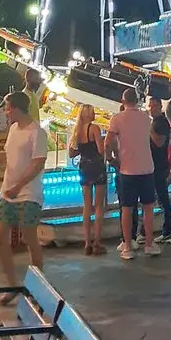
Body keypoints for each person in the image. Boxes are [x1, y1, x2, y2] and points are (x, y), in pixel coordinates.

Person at [0, 89, 49, 301]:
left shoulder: (37, 132)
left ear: (17, 108)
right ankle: (12, 284)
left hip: (28, 194)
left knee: (29, 238)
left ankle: (38, 283)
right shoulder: (14, 129)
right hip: (8, 191)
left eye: (8, 108)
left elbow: (37, 163)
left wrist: (18, 186)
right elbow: (7, 157)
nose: (7, 112)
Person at [104, 86, 159, 259]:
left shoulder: (117, 119)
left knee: (127, 209)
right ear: (137, 101)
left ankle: (127, 246)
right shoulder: (146, 118)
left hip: (127, 169)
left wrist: (111, 159)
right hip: (147, 168)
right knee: (148, 208)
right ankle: (149, 243)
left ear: (123, 101)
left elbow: (107, 142)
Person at [68, 102, 107, 255]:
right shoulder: (94, 128)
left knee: (87, 206)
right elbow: (100, 149)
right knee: (98, 206)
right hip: (96, 166)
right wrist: (103, 143)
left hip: (84, 167)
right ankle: (97, 242)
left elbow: (72, 153)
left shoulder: (77, 130)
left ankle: (86, 242)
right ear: (89, 114)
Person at [149, 94, 171, 243]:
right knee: (157, 198)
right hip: (153, 164)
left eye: (154, 105)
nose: (151, 108)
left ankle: (167, 231)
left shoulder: (162, 123)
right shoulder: (155, 122)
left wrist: (149, 130)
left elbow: (159, 142)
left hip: (159, 166)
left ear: (160, 106)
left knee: (162, 198)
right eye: (150, 106)